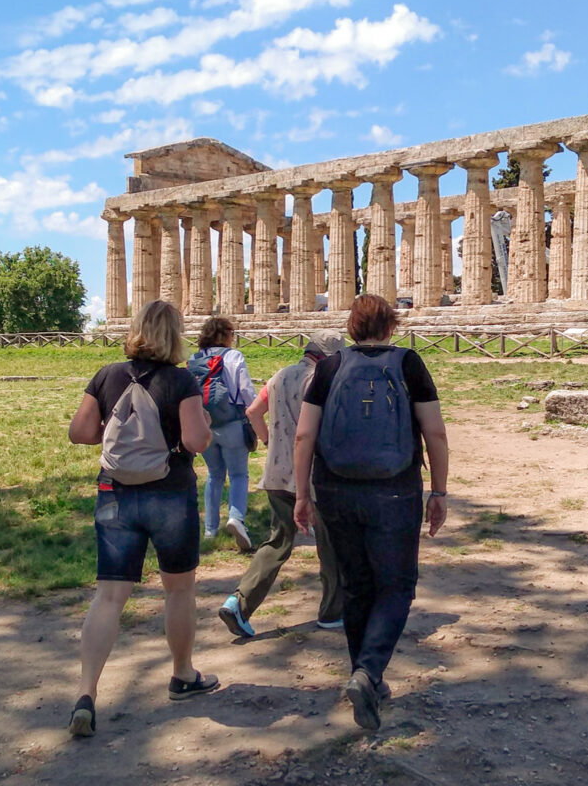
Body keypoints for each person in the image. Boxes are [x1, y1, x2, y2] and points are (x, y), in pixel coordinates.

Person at [293, 294, 449, 733]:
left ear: (351, 327)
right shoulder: (408, 364)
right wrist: (438, 490)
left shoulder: (328, 366)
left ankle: (366, 676)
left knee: (357, 586)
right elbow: (434, 431)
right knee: (397, 586)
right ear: (391, 326)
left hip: (335, 489)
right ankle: (368, 672)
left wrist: (302, 494)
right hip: (395, 489)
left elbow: (304, 436)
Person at [67, 300, 217, 738]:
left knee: (110, 596)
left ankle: (86, 693)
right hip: (169, 492)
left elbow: (79, 432)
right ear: (175, 335)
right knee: (179, 589)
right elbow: (195, 441)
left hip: (115, 492)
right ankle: (183, 674)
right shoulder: (181, 380)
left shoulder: (107, 375)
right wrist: (203, 423)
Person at [218, 330, 346, 639]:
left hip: (277, 473)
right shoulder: (323, 382)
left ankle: (239, 602)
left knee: (277, 542)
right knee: (331, 546)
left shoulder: (279, 375)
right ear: (329, 358)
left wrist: (269, 441)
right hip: (313, 476)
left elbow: (252, 412)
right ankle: (332, 612)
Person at [188, 317, 256, 549]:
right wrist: (254, 414)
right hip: (233, 423)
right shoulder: (234, 356)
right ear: (226, 334)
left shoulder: (194, 358)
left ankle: (210, 530)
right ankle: (236, 518)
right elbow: (246, 389)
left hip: (206, 424)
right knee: (238, 475)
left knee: (214, 475)